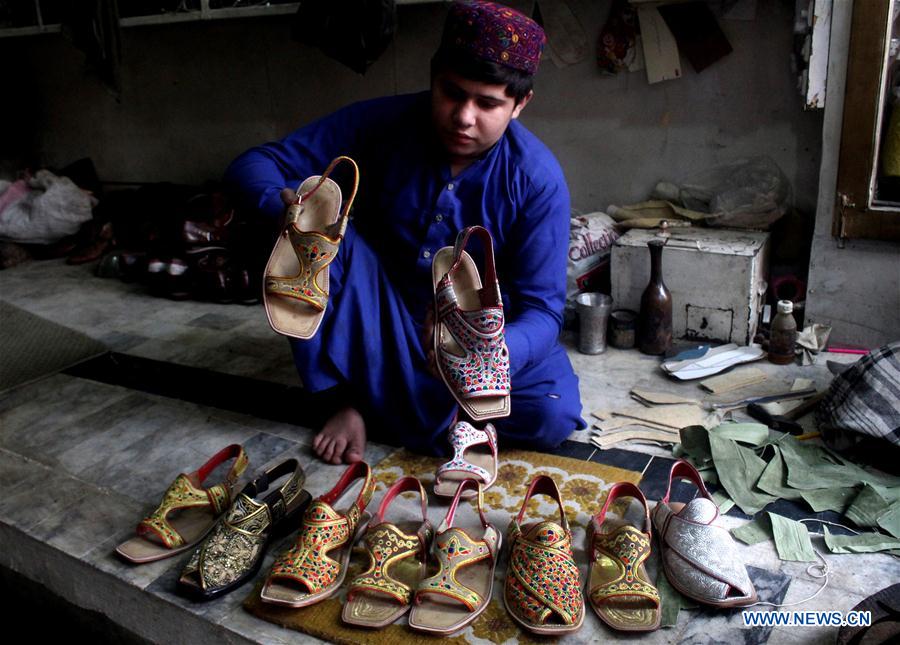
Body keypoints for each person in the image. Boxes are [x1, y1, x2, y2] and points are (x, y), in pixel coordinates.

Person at [225, 0, 586, 464]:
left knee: (551, 416)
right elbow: (253, 164)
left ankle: (389, 401)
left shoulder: (537, 179)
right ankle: (344, 400)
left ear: (520, 104)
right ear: (433, 78)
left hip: (469, 336)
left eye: (488, 103)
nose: (464, 117)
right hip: (380, 314)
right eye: (452, 93)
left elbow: (542, 311)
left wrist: (487, 353)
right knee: (313, 229)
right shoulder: (380, 124)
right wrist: (283, 207)